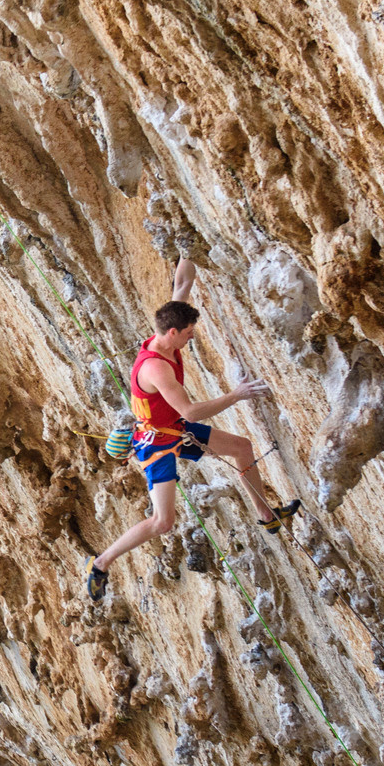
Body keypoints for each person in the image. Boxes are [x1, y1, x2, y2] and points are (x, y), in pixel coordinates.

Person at [86, 257, 298, 601]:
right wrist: (237, 394)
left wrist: (185, 251)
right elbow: (192, 411)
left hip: (174, 428)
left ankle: (267, 516)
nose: (192, 336)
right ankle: (101, 563)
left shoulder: (168, 330)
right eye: (188, 333)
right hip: (155, 443)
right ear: (173, 333)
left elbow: (182, 283)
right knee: (162, 521)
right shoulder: (157, 369)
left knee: (242, 448)